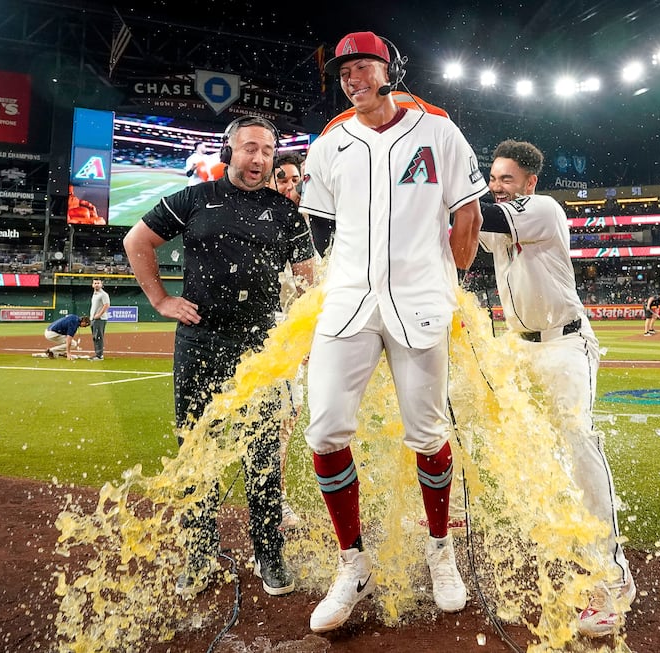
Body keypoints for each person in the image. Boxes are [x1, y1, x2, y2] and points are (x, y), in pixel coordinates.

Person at [298, 30, 486, 633]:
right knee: (325, 429)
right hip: (348, 303)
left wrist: (448, 276)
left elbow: (469, 212)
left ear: (390, 69)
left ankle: (440, 550)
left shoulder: (437, 130)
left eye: (364, 67)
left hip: (419, 301)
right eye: (345, 71)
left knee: (427, 432)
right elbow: (317, 226)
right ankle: (352, 563)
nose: (353, 78)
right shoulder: (330, 142)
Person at [123, 114, 316, 599]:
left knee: (263, 456)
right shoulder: (195, 198)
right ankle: (199, 554)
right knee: (197, 451)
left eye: (268, 151)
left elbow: (310, 282)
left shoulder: (285, 212)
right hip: (201, 343)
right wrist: (162, 300)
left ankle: (269, 554)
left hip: (261, 350)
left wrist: (302, 335)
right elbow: (136, 240)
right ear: (229, 151)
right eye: (250, 148)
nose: (259, 159)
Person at [478, 139, 635, 637]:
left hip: (564, 346)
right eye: (492, 177)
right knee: (528, 450)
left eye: (506, 179)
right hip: (519, 348)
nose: (496, 186)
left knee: (578, 440)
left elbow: (481, 216)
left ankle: (613, 576)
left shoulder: (542, 209)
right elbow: (461, 229)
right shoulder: (500, 213)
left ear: (529, 183)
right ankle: (560, 545)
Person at [267, 150, 308, 530]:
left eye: (296, 180)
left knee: (284, 420)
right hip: (250, 332)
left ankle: (273, 498)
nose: (290, 186)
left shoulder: (303, 225)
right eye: (283, 178)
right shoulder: (253, 219)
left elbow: (307, 291)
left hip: (286, 338)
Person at [89, 279, 110, 360]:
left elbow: (107, 305)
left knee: (98, 337)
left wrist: (99, 314)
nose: (96, 284)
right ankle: (97, 354)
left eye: (98, 283)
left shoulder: (103, 294)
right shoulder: (94, 294)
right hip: (93, 319)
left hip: (100, 319)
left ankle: (99, 355)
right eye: (95, 283)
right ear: (92, 285)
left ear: (101, 284)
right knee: (95, 337)